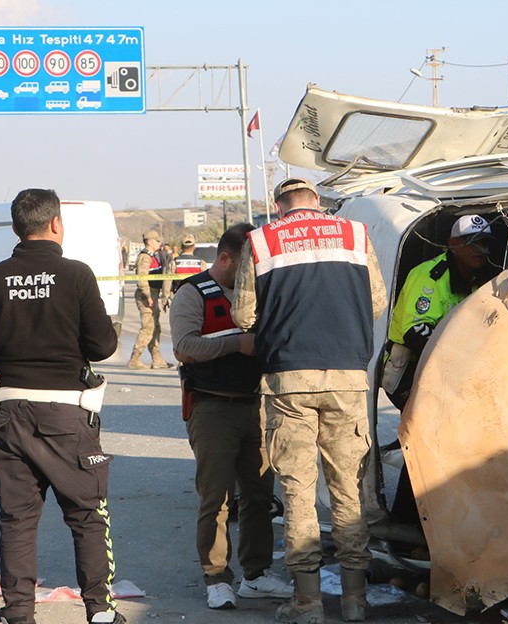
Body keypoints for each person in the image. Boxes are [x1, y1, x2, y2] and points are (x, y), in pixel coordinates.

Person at [0, 188, 123, 624]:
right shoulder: (77, 275)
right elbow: (103, 346)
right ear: (55, 224)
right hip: (68, 414)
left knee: (17, 520)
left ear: (15, 228)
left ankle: (19, 617)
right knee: (87, 515)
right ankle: (101, 612)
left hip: (9, 414)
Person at [233, 178, 387, 624]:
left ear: (280, 207)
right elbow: (375, 299)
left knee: (298, 491)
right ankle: (356, 600)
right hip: (347, 376)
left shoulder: (261, 241)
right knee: (348, 491)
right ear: (317, 203)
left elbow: (245, 314)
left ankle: (307, 602)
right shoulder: (355, 234)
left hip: (288, 379)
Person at [170, 224, 292, 610]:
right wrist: (236, 343)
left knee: (259, 496)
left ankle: (255, 575)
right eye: (245, 266)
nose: (251, 275)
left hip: (256, 406)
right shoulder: (193, 293)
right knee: (217, 498)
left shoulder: (259, 295)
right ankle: (216, 577)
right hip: (212, 408)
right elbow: (185, 347)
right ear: (225, 259)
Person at [379, 214, 495, 524]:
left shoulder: (477, 281)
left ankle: (433, 517)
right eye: (472, 243)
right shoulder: (431, 276)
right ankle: (406, 519)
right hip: (408, 370)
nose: (480, 250)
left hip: (444, 372)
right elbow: (417, 333)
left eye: (485, 243)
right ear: (453, 245)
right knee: (427, 440)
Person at [129, 230, 171, 369]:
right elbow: (142, 278)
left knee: (155, 327)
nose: (160, 243)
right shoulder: (145, 257)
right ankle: (134, 359)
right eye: (157, 241)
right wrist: (147, 296)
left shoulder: (153, 256)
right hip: (146, 295)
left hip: (153, 293)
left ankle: (157, 359)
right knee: (148, 327)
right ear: (150, 241)